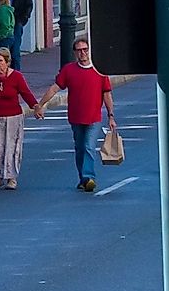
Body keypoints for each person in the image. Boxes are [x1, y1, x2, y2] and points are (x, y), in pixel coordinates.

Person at [40, 36, 118, 193]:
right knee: (80, 148)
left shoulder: (99, 70)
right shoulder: (69, 70)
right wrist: (41, 105)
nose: (83, 53)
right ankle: (83, 178)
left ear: (90, 51)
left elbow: (107, 94)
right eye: (79, 50)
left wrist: (111, 116)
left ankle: (89, 177)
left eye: (85, 49)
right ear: (75, 53)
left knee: (89, 146)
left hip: (94, 118)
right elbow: (55, 88)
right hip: (76, 117)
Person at [0, 43, 41, 190]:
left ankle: (11, 178)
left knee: (11, 148)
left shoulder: (16, 77)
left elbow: (26, 93)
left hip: (12, 117)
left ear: (7, 62)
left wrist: (35, 107)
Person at [1, 0, 35, 69]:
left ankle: (16, 74)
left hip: (16, 21)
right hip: (3, 21)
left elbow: (29, 5)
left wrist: (22, 20)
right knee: (2, 50)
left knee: (15, 51)